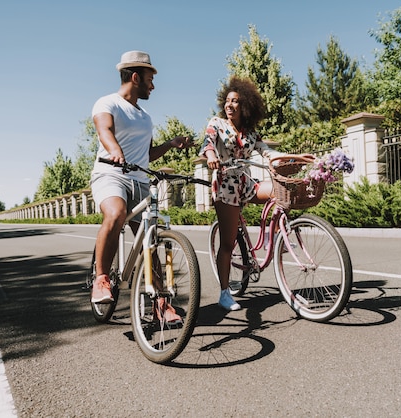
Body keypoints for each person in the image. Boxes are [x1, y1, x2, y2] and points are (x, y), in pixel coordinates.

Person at [90, 50, 192, 306]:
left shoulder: (145, 117)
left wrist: (170, 144)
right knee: (115, 214)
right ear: (135, 77)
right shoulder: (107, 103)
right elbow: (105, 130)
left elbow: (147, 154)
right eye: (150, 80)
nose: (153, 86)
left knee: (151, 241)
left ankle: (161, 303)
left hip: (139, 181)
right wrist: (115, 151)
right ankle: (101, 278)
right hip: (111, 174)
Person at [201, 76, 286, 311]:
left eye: (235, 101)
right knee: (227, 243)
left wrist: (278, 159)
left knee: (279, 190)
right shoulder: (216, 123)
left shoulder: (250, 132)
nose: (230, 105)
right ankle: (225, 292)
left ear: (244, 105)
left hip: (247, 183)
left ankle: (273, 238)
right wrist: (211, 156)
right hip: (225, 186)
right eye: (228, 101)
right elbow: (208, 143)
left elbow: (265, 149)